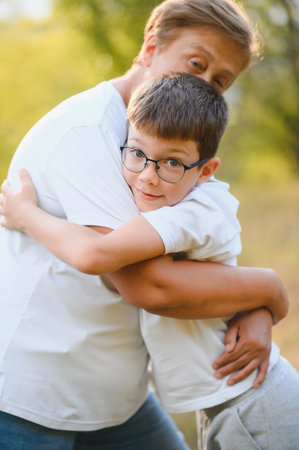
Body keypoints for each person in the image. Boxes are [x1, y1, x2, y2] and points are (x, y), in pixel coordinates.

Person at [0, 0, 289, 448]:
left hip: (115, 394)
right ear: (151, 47)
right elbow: (149, 284)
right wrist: (269, 289)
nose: (204, 85)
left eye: (220, 80)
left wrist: (256, 306)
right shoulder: (91, 133)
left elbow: (196, 253)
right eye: (196, 63)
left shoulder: (168, 139)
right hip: (34, 395)